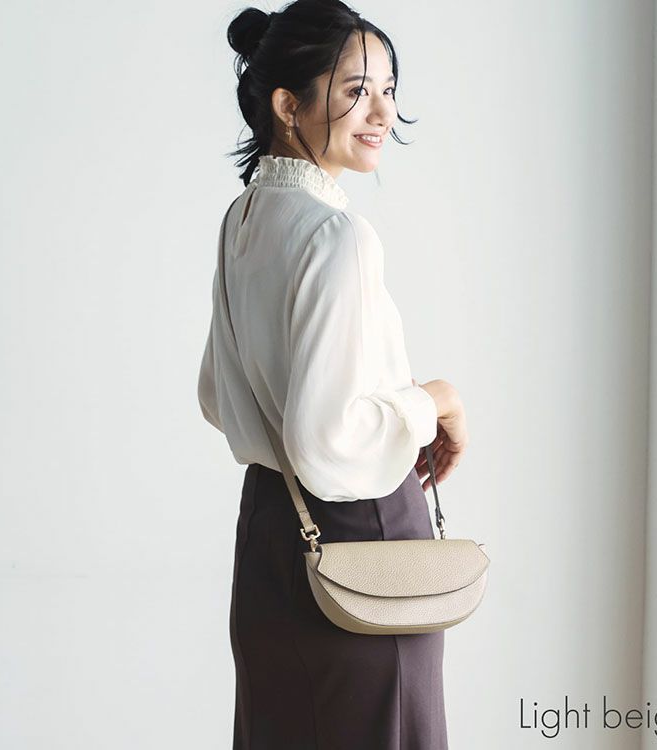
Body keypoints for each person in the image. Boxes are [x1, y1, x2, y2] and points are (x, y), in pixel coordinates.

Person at [197, 1, 468, 747]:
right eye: (356, 90)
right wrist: (435, 400)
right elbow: (328, 441)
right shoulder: (337, 234)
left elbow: (217, 396)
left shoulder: (244, 218)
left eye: (388, 89)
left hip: (270, 534)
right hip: (358, 539)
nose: (382, 112)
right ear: (289, 106)